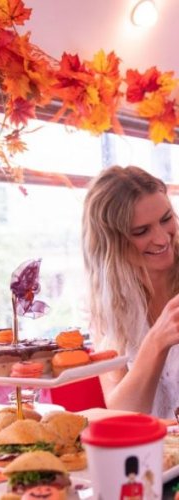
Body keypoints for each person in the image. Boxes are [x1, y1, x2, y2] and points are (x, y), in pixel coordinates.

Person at [82, 165, 179, 418]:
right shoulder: (107, 305)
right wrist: (157, 342)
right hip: (159, 454)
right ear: (111, 242)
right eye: (141, 231)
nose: (161, 239)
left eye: (166, 218)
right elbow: (124, 414)